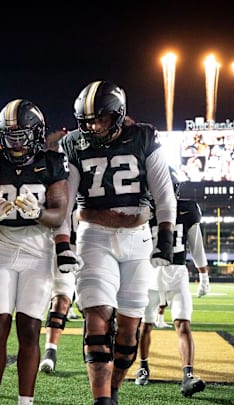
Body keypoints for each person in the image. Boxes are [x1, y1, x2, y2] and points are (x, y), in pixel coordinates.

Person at [57, 80, 177, 405]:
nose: (94, 126)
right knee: (97, 316)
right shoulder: (72, 144)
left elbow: (164, 193)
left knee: (128, 329)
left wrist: (165, 237)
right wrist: (62, 241)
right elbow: (66, 201)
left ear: (118, 114)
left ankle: (114, 390)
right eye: (88, 121)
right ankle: (101, 401)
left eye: (101, 118)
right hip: (94, 240)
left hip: (137, 241)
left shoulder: (144, 137)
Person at [0, 99, 69, 405]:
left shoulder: (52, 162)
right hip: (2, 249)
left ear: (37, 133)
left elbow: (59, 214)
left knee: (29, 329)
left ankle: (25, 401)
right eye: (9, 134)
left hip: (37, 252)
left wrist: (38, 212)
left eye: (20, 134)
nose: (14, 141)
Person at [134, 169, 206, 398]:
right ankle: (143, 367)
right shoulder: (143, 211)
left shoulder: (188, 209)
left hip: (177, 273)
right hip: (150, 274)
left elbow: (196, 244)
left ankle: (188, 375)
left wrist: (204, 275)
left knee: (183, 324)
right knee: (145, 325)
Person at [38, 129, 82, 376]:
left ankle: (50, 351)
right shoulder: (44, 174)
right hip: (41, 243)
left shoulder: (80, 176)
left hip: (73, 246)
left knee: (63, 297)